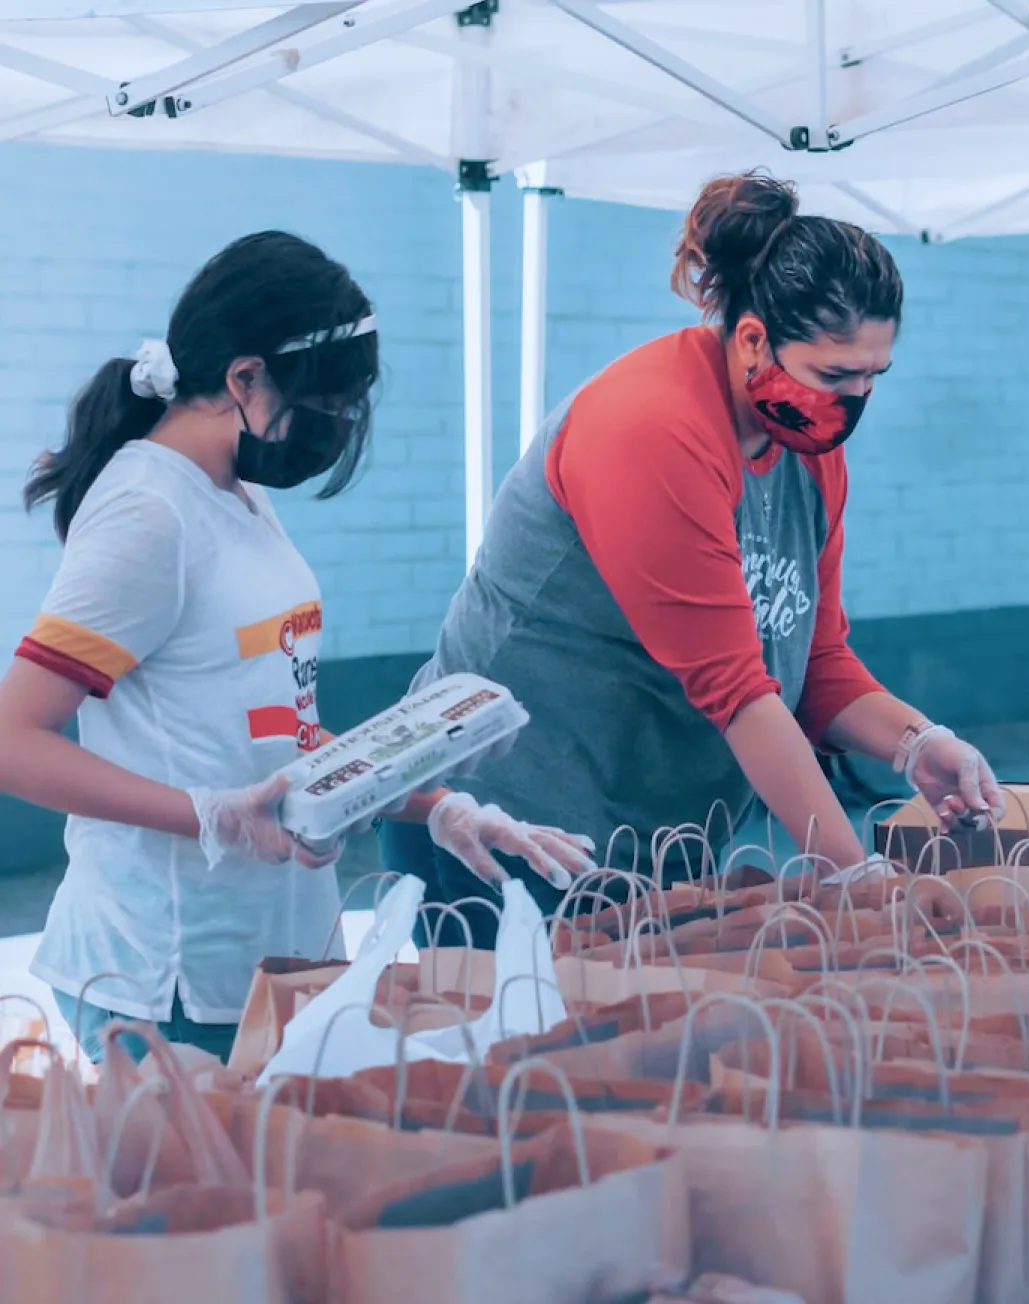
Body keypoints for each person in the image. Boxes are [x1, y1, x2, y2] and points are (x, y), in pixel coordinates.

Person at [0, 232, 593, 1065]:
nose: (335, 429)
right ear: (244, 378)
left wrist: (436, 805)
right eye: (328, 407)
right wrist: (207, 816)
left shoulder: (233, 498)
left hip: (274, 960)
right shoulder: (147, 513)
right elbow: (14, 742)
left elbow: (277, 742)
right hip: (168, 981)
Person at [380, 171, 1004, 948]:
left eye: (873, 377)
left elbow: (815, 659)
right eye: (834, 375)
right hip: (503, 821)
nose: (853, 402)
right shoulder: (650, 430)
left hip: (646, 837)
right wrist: (858, 876)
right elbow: (738, 692)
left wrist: (917, 743)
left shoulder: (808, 451)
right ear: (751, 340)